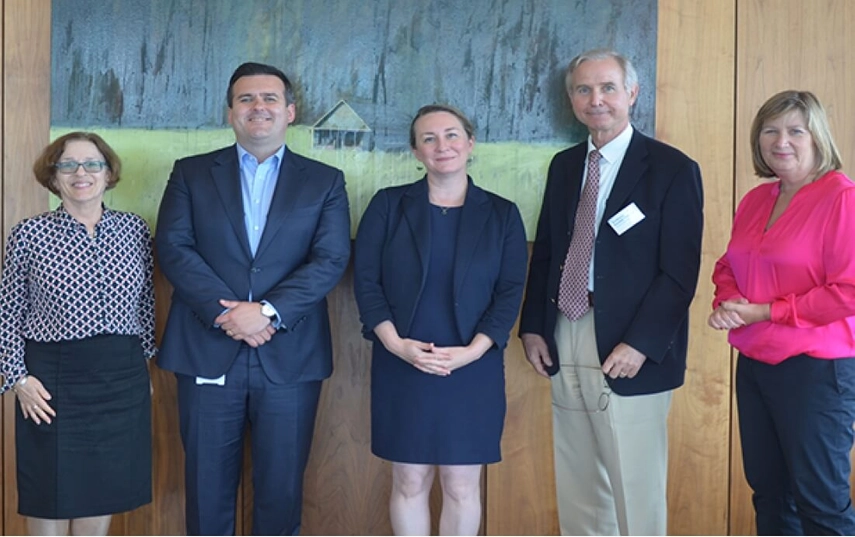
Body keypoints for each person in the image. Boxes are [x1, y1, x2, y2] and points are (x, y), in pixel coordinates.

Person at [155, 62, 350, 535]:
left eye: (268, 99)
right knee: (205, 490)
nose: (257, 107)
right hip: (206, 346)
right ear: (230, 113)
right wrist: (230, 315)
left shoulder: (324, 181)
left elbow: (329, 259)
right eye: (246, 99)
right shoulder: (191, 174)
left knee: (281, 491)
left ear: (290, 111)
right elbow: (173, 248)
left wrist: (264, 311)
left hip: (289, 354)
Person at [518, 48, 704, 535]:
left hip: (631, 343)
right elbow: (550, 253)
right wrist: (535, 328)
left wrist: (640, 343)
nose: (595, 99)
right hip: (567, 330)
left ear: (632, 94)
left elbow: (679, 273)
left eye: (607, 88)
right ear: (571, 99)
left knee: (635, 486)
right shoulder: (563, 166)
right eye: (583, 89)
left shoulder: (671, 169)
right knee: (579, 482)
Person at [353, 104, 528, 535]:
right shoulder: (388, 206)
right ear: (416, 151)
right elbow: (366, 283)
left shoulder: (503, 214)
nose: (441, 146)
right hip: (402, 361)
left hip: (473, 366)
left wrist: (473, 350)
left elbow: (509, 293)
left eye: (451, 135)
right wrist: (396, 345)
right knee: (409, 480)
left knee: (461, 485)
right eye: (428, 138)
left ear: (470, 143)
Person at [709, 90, 855, 535]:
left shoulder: (841, 198)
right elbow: (728, 264)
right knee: (769, 494)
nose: (781, 141)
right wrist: (729, 304)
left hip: (816, 371)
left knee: (820, 501)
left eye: (795, 130)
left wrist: (766, 312)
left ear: (818, 137)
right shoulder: (757, 199)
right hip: (755, 365)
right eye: (770, 131)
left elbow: (848, 290)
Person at [0, 132, 154, 536]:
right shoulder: (29, 234)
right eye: (68, 165)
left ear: (108, 174)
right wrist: (17, 378)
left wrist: (144, 368)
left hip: (121, 378)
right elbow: (7, 311)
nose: (80, 173)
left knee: (102, 490)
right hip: (52, 380)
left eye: (92, 164)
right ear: (53, 177)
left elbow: (146, 305)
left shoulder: (133, 231)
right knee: (50, 491)